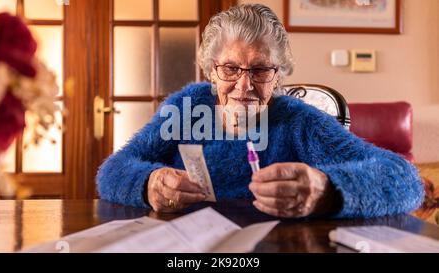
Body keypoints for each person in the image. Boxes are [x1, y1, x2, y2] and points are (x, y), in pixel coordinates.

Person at [96, 4, 424, 218]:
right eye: (230, 69)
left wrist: (328, 190)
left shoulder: (299, 121)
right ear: (211, 70)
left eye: (260, 70)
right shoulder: (188, 107)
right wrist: (149, 182)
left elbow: (405, 179)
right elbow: (113, 171)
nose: (244, 86)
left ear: (279, 74)